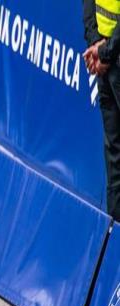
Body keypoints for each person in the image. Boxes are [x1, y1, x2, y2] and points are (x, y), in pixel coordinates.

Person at [83, 0, 120, 221]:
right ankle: (115, 227)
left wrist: (103, 50)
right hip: (108, 61)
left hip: (108, 56)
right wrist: (99, 46)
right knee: (114, 154)